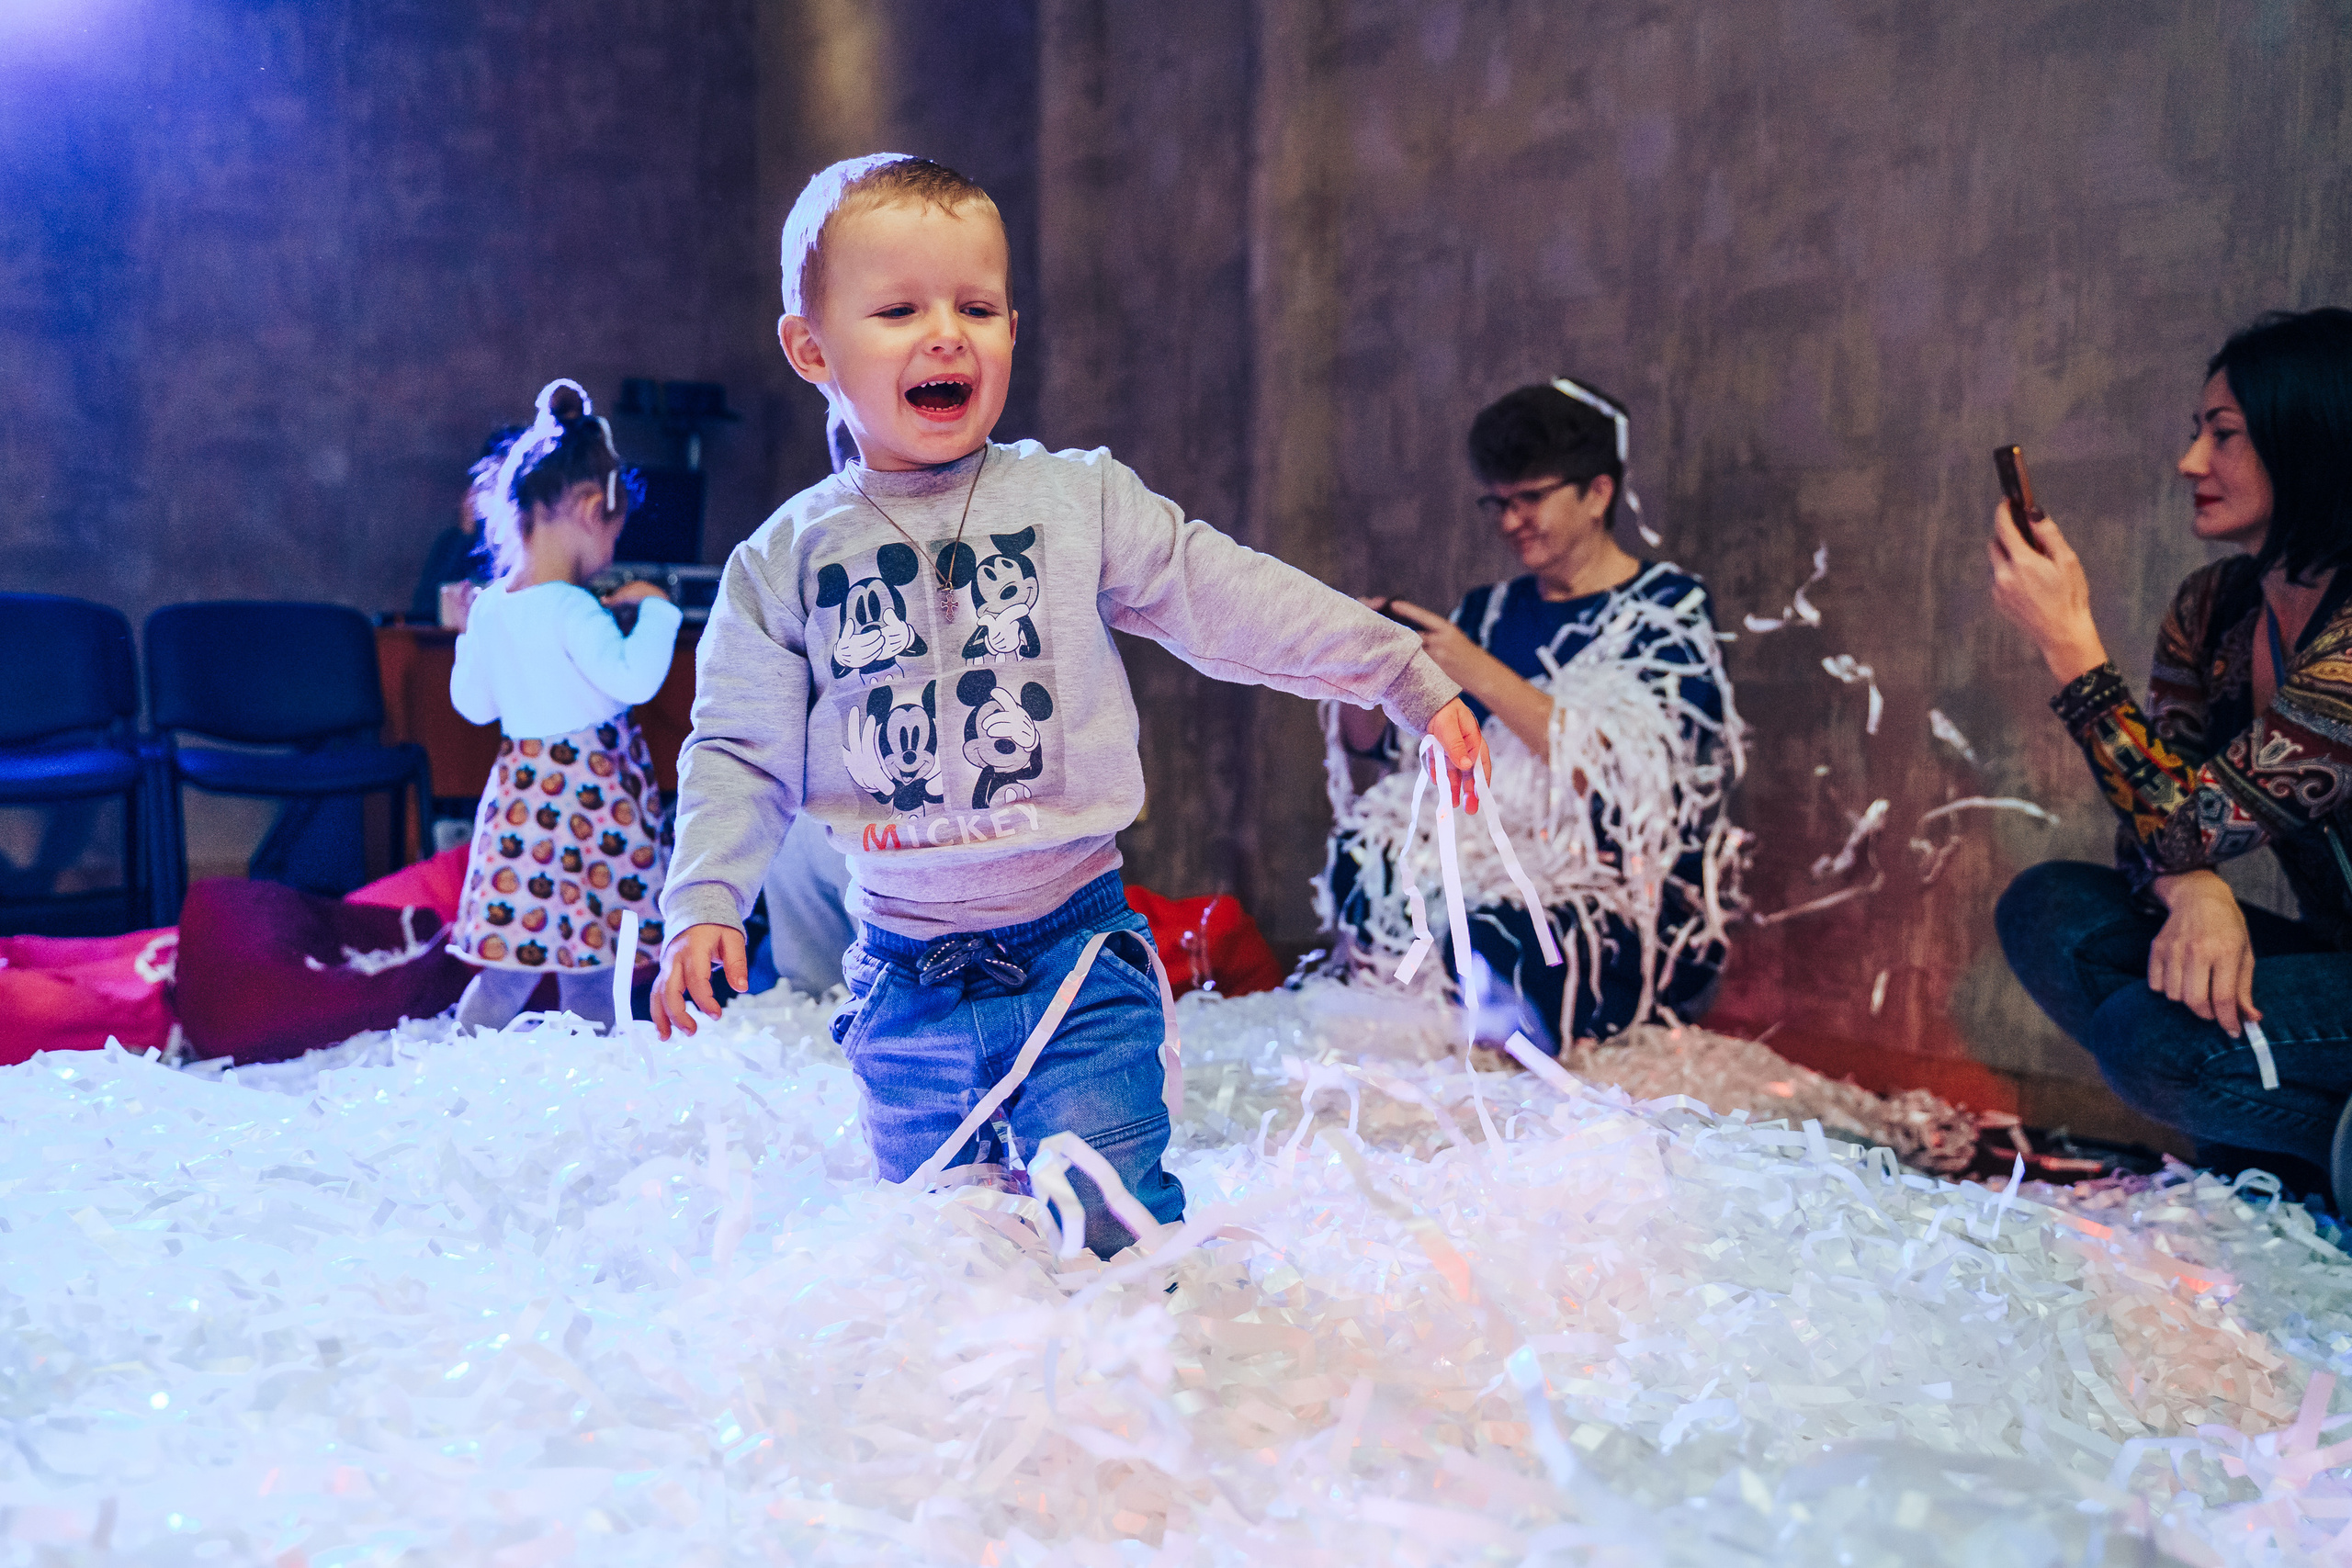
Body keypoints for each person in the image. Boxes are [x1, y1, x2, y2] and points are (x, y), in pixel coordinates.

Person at [651, 154, 1488, 1257]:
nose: (945, 336)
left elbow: (1227, 597)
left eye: (977, 308)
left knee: (1110, 1229)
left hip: (1075, 951)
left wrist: (1394, 669)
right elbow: (738, 750)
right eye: (898, 311)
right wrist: (706, 896)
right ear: (811, 349)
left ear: (1012, 329)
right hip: (903, 977)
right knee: (942, 1249)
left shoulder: (1072, 499)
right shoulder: (783, 559)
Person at [1992, 307, 2352, 1196]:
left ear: (2308, 440)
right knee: (2048, 909)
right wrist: (2195, 889)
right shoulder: (2212, 608)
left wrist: (2071, 647)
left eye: (2223, 435)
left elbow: (2183, 820)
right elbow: (2152, 814)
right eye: (2198, 432)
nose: (2191, 462)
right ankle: (2279, 1150)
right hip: (2334, 959)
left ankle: (2309, 1153)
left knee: (2150, 1041)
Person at [1330, 379, 1734, 1050]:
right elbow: (1389, 754)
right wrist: (1365, 673)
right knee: (1360, 860)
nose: (1510, 521)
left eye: (1530, 499)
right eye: (1499, 502)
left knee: (1501, 938)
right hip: (1482, 857)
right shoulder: (1488, 611)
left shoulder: (1668, 610)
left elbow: (1625, 781)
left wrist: (1473, 667)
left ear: (1597, 493)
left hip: (1610, 897)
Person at [446, 379, 682, 1032]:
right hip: (588, 809)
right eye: (613, 535)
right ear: (589, 508)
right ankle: (592, 1070)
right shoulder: (575, 608)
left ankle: (456, 1062)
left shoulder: (492, 607)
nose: (609, 555)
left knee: (509, 972)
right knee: (594, 965)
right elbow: (635, 680)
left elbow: (473, 706)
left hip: (523, 808)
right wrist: (658, 609)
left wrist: (466, 637)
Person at [411, 425, 523, 622]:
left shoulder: (537, 543)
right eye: (495, 481)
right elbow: (426, 610)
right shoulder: (456, 542)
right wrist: (464, 534)